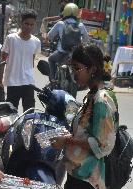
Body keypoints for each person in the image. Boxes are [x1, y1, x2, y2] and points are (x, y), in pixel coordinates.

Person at [50, 44, 118, 189]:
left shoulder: (102, 99)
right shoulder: (92, 95)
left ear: (92, 69)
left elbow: (102, 144)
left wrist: (67, 141)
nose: (73, 73)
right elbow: (85, 132)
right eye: (72, 68)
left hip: (88, 180)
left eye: (77, 68)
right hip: (77, 174)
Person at [0, 9, 41, 112]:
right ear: (21, 23)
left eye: (32, 24)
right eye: (26, 24)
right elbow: (2, 60)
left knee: (30, 114)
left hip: (28, 82)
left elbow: (31, 61)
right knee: (11, 114)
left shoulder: (36, 42)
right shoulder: (11, 39)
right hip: (12, 82)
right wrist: (0, 80)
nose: (29, 27)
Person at [47, 2, 89, 83]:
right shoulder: (81, 25)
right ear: (77, 13)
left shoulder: (60, 24)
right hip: (76, 54)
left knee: (51, 59)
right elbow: (86, 40)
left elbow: (49, 36)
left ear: (65, 12)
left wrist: (48, 39)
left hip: (62, 53)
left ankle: (52, 79)